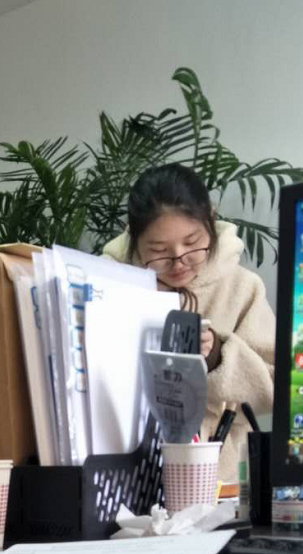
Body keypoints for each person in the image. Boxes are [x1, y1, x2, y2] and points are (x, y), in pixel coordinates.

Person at [102, 163, 275, 481]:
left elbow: (275, 387)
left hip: (219, 477)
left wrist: (217, 356)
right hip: (125, 471)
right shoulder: (107, 283)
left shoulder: (242, 287)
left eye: (192, 242)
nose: (179, 261)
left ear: (211, 218)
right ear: (134, 240)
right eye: (159, 251)